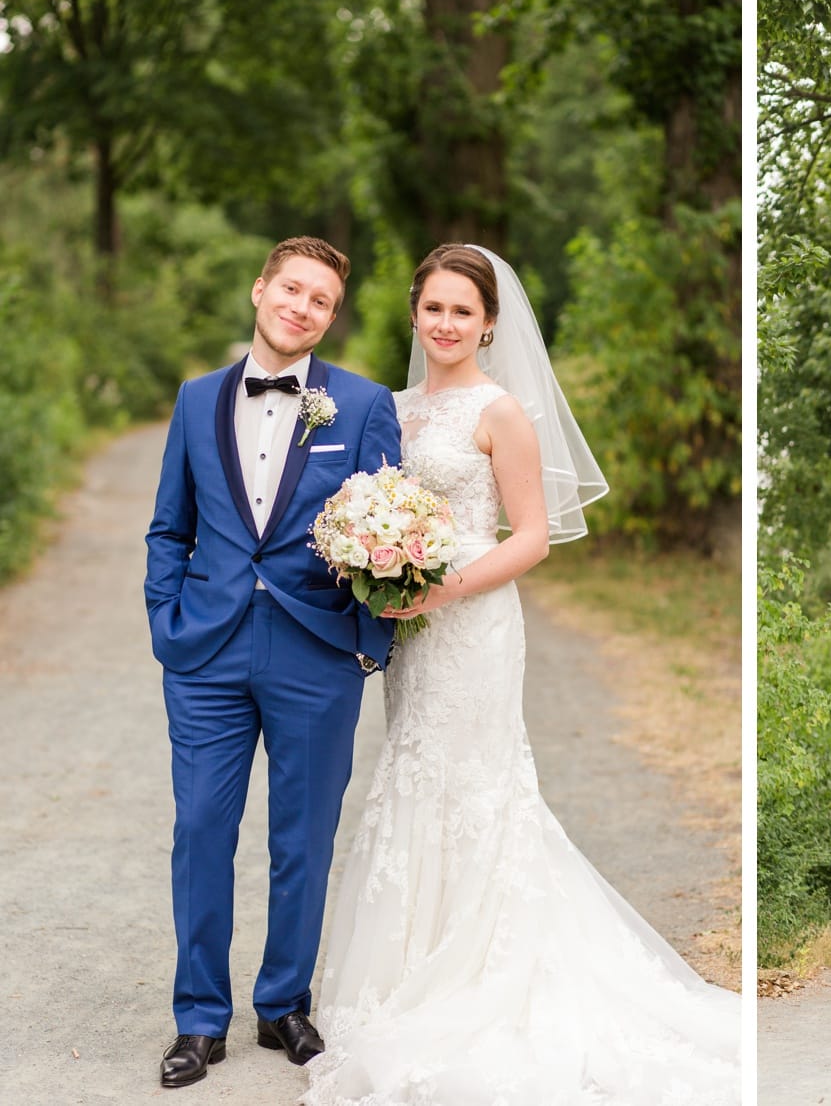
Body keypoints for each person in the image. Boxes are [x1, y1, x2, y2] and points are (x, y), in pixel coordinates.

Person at [301, 244, 739, 1105]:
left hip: (473, 623)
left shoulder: (502, 412)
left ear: (490, 323)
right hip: (411, 627)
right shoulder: (389, 407)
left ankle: (481, 966)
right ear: (415, 314)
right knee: (414, 773)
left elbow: (532, 536)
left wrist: (442, 589)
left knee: (476, 783)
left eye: (463, 311)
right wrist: (375, 564)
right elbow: (365, 502)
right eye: (433, 308)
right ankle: (407, 964)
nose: (446, 324)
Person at [144, 237, 402, 1088]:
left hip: (314, 653)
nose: (301, 306)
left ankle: (284, 1003)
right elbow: (169, 527)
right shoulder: (193, 401)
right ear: (260, 290)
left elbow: (387, 533)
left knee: (302, 839)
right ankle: (199, 1019)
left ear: (331, 318)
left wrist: (369, 641)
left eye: (320, 299)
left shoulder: (362, 407)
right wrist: (165, 621)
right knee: (200, 832)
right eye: (291, 288)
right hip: (207, 651)